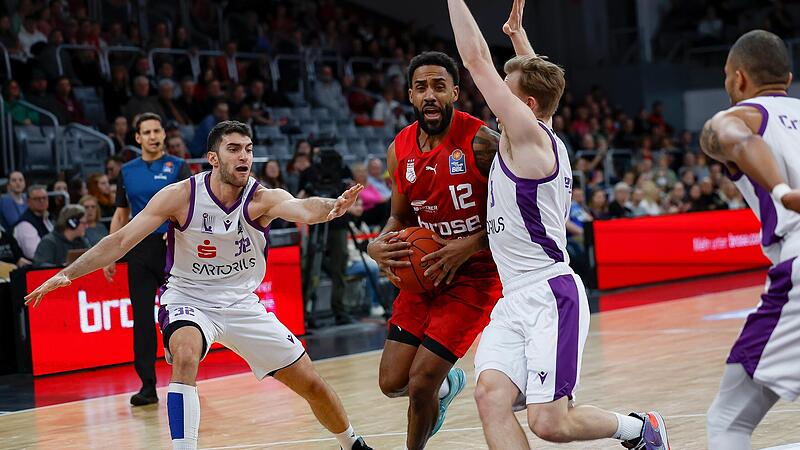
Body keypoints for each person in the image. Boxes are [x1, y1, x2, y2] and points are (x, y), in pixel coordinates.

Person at [25, 120, 373, 450]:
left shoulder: (261, 198)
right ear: (213, 158)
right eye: (234, 149)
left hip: (242, 303)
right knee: (186, 352)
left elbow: (302, 208)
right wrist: (68, 273)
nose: (244, 157)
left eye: (248, 149)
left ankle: (352, 442)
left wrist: (331, 207)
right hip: (188, 296)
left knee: (311, 382)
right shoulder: (180, 196)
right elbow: (120, 241)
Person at [448, 1, 670, 449]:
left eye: (506, 96)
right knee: (490, 395)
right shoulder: (537, 126)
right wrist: (517, 36)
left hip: (550, 294)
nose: (497, 103)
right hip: (515, 298)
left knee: (550, 424)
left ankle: (640, 429)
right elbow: (540, 86)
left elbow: (474, 60)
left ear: (525, 106)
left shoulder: (529, 139)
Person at [366, 51, 502, 450]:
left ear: (454, 92)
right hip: (424, 271)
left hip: (474, 276)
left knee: (422, 380)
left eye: (439, 86)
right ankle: (448, 387)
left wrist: (471, 244)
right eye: (421, 87)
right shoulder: (399, 149)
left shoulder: (481, 143)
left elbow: (520, 215)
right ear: (410, 94)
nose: (430, 94)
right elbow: (399, 216)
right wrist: (378, 244)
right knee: (392, 383)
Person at [699, 30, 800, 449]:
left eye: (725, 75)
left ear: (738, 79)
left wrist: (780, 191)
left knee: (728, 422)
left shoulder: (741, 115)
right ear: (788, 79)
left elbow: (737, 140)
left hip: (796, 264)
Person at [106, 113, 192, 406]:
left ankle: (184, 379)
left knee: (181, 314)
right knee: (142, 320)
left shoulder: (179, 167)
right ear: (138, 138)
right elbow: (120, 213)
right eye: (148, 132)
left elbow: (191, 206)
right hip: (139, 250)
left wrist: (181, 231)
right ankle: (147, 386)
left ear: (164, 135)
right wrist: (110, 255)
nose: (154, 136)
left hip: (173, 250)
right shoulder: (127, 171)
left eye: (158, 130)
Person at [13, 185, 53, 260]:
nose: (41, 201)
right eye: (36, 199)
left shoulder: (48, 217)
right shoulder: (25, 225)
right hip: (37, 268)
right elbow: (35, 254)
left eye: (44, 198)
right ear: (28, 202)